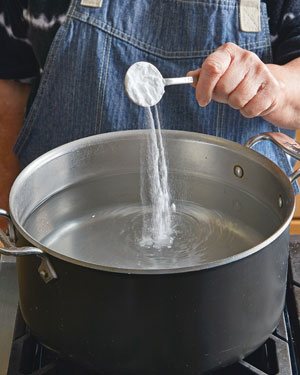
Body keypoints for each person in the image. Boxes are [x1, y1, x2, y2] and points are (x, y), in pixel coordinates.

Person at [1, 0, 300, 229]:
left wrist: (275, 89)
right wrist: (10, 231)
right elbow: (11, 83)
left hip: (243, 255)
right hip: (61, 246)